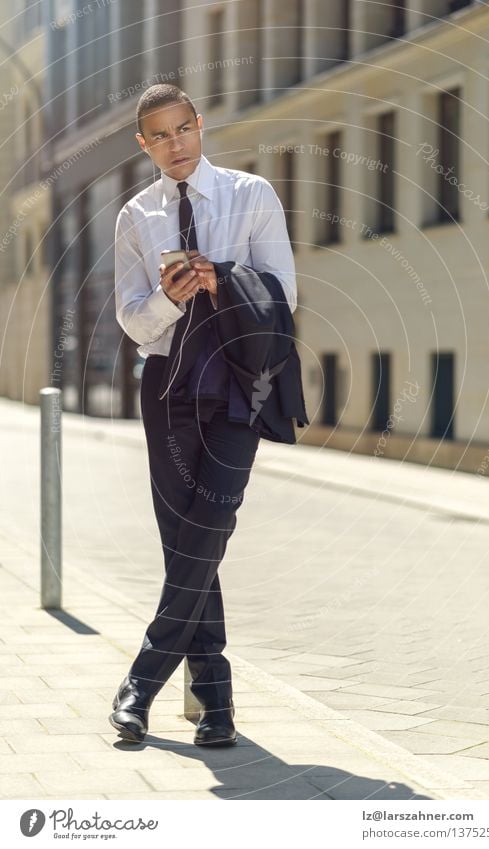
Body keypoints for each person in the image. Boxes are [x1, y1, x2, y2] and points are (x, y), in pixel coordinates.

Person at [110, 83, 304, 747]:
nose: (175, 145)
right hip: (166, 387)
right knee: (185, 542)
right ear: (144, 143)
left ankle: (142, 679)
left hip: (237, 387)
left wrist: (219, 276)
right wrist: (167, 299)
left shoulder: (250, 196)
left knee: (207, 527)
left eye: (183, 129)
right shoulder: (135, 215)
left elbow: (283, 294)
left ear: (200, 124)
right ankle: (215, 707)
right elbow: (133, 322)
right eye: (159, 136)